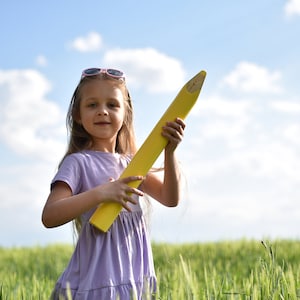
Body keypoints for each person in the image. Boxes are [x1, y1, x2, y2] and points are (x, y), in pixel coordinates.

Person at [41, 68, 186, 299]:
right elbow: (50, 215)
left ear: (126, 113)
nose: (102, 112)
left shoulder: (134, 164)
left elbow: (170, 198)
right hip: (97, 283)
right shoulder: (78, 163)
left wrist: (170, 152)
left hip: (133, 279)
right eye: (92, 105)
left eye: (112, 105)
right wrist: (100, 193)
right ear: (78, 115)